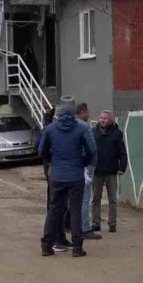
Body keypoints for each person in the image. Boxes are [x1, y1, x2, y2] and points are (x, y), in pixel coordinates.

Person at [39, 96, 96, 257]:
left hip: (57, 175)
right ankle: (77, 247)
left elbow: (41, 151)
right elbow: (92, 150)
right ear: (73, 110)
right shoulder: (81, 129)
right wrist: (83, 162)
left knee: (54, 210)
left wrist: (53, 161)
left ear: (59, 111)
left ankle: (46, 245)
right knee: (75, 210)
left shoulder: (50, 129)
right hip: (76, 174)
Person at [37, 107, 72, 253]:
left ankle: (60, 237)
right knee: (55, 207)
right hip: (55, 173)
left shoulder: (50, 129)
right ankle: (54, 240)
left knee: (61, 207)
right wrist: (52, 161)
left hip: (56, 172)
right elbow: (41, 149)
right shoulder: (50, 130)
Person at [91, 110, 128, 233]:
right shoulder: (93, 132)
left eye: (105, 118)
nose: (102, 120)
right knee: (96, 198)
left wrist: (122, 167)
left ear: (111, 120)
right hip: (97, 171)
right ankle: (95, 223)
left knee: (112, 199)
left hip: (111, 171)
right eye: (101, 118)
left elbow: (122, 153)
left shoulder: (117, 134)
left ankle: (112, 223)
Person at [75, 103, 101, 241]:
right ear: (83, 112)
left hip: (74, 167)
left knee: (75, 199)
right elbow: (91, 149)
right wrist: (88, 164)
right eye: (87, 112)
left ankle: (76, 226)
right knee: (85, 198)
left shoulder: (72, 126)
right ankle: (84, 227)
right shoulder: (84, 127)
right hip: (86, 167)